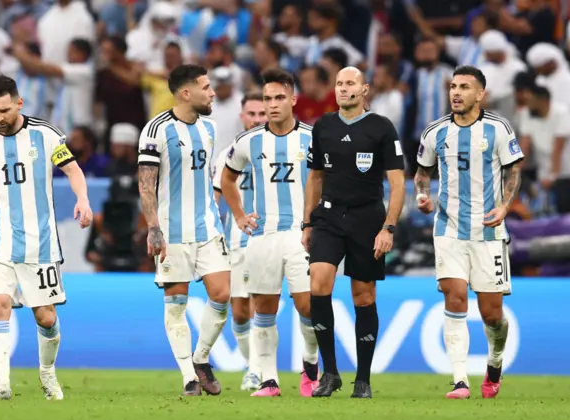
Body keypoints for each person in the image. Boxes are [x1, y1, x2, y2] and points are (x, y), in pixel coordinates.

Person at [0, 74, 93, 400]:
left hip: (40, 244)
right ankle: (1, 384)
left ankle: (47, 373)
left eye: (4, 110)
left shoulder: (45, 134)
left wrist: (82, 199)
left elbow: (72, 169)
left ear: (19, 103)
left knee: (46, 317)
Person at [414, 65, 524, 399]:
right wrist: (422, 195)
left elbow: (514, 169)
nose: (456, 93)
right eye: (452, 86)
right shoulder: (435, 131)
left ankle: (494, 362)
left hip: (488, 231)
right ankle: (460, 379)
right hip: (448, 228)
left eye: (464, 87)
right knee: (454, 295)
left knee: (492, 314)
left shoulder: (498, 128)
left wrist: (504, 207)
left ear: (480, 94)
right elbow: (422, 173)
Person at [302, 67, 406, 398]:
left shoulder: (381, 127)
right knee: (318, 282)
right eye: (339, 83)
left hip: (367, 219)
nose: (343, 89)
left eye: (350, 83)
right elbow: (315, 177)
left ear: (364, 90)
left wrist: (388, 227)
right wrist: (307, 222)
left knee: (364, 295)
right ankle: (330, 373)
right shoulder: (323, 126)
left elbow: (397, 182)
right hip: (330, 216)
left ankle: (363, 378)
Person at [221, 68, 320, 398]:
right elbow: (227, 179)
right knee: (263, 309)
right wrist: (238, 214)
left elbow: (326, 181)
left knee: (308, 306)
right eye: (267, 98)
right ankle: (269, 380)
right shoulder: (248, 141)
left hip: (301, 234)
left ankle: (310, 366)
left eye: (279, 98)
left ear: (293, 100)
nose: (273, 104)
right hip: (262, 236)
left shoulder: (312, 139)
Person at [137, 64, 231, 397]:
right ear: (186, 93)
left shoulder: (209, 128)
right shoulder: (156, 129)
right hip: (172, 232)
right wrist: (153, 228)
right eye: (206, 88)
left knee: (222, 294)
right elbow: (146, 183)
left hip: (207, 227)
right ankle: (188, 376)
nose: (213, 93)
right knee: (176, 304)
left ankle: (201, 357)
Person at [212, 91, 267, 391]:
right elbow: (214, 199)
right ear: (242, 117)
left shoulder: (279, 149)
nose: (258, 119)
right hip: (237, 243)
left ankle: (261, 370)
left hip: (271, 240)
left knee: (263, 305)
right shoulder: (228, 154)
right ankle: (253, 366)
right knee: (241, 312)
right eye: (252, 114)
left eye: (262, 114)